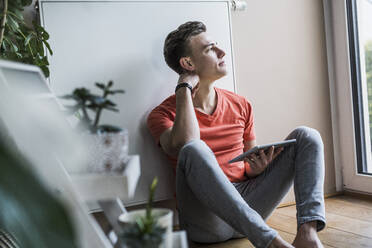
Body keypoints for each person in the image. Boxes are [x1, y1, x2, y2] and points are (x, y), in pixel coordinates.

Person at [147, 21, 326, 248]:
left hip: (249, 207)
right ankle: (271, 242)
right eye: (210, 48)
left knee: (307, 136)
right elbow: (186, 143)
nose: (221, 52)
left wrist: (257, 168)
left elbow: (249, 167)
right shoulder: (160, 114)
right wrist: (184, 88)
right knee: (194, 148)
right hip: (206, 220)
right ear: (188, 63)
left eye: (217, 45)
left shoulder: (240, 104)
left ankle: (307, 234)